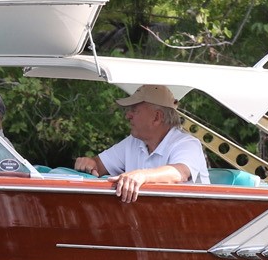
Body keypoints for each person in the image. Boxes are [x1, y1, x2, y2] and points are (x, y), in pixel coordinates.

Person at [75, 84, 210, 202]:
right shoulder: (133, 142)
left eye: (134, 110)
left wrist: (141, 176)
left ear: (157, 117)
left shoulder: (187, 144)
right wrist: (89, 163)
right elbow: (99, 165)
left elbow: (179, 173)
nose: (128, 116)